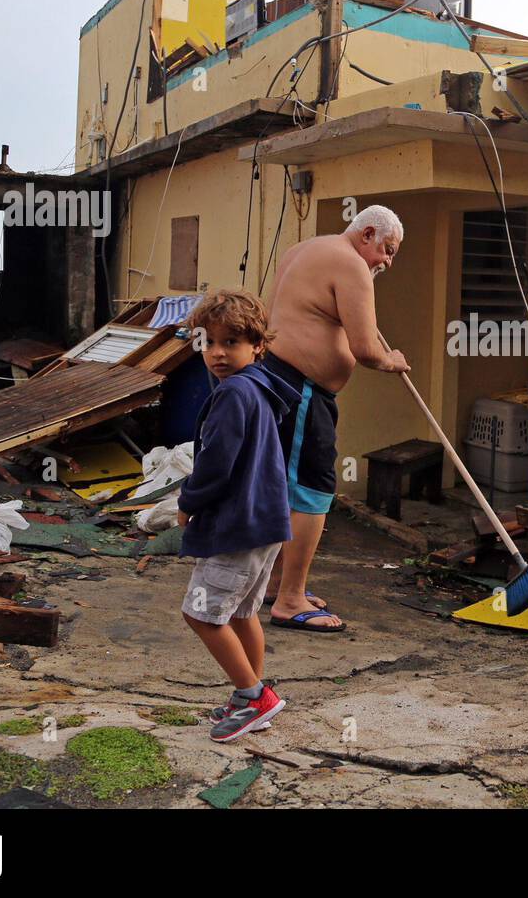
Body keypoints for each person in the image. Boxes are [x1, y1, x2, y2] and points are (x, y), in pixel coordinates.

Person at [261, 204, 410, 632]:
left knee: (287, 489)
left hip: (282, 379)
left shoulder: (307, 249)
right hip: (301, 388)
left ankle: (276, 583)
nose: (387, 261)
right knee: (312, 490)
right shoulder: (351, 265)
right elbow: (366, 350)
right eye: (387, 250)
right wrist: (391, 359)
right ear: (366, 234)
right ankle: (289, 600)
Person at [178, 289, 299, 743]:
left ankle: (253, 696)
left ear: (258, 346)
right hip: (266, 523)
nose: (217, 353)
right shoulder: (262, 388)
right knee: (244, 612)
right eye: (209, 342)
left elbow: (216, 465)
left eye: (231, 342)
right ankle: (252, 695)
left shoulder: (232, 394)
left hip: (236, 526)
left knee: (204, 615)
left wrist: (187, 502)